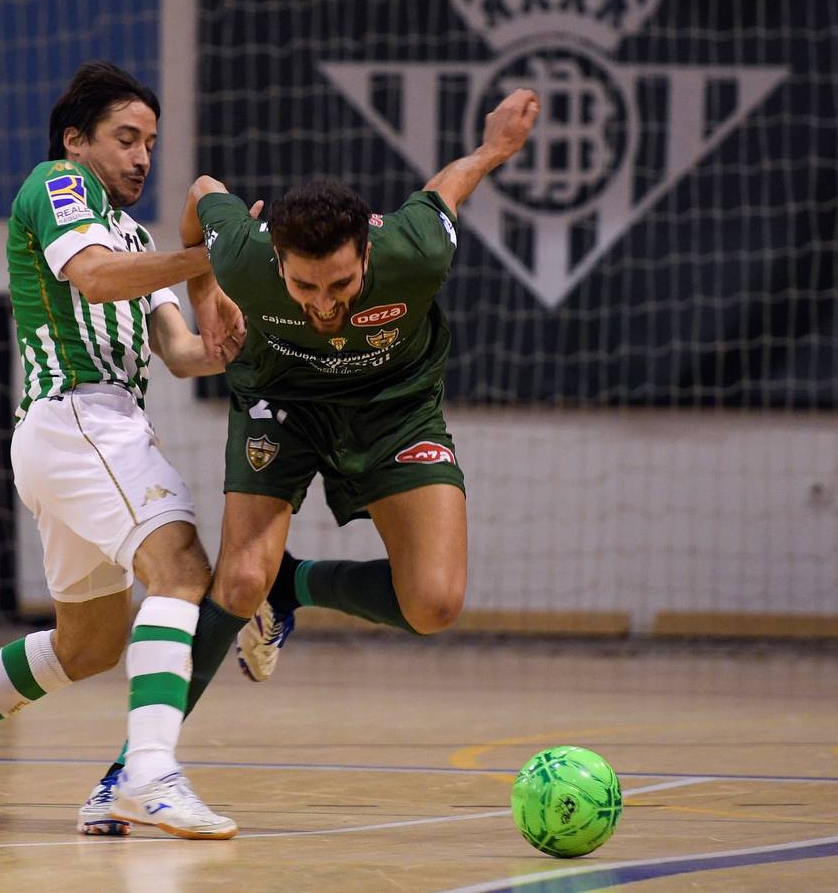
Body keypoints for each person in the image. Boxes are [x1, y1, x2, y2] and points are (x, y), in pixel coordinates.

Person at [80, 88, 541, 811]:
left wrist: (492, 150)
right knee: (234, 584)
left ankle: (293, 584)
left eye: (341, 284)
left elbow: (444, 188)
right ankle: (131, 771)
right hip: (281, 406)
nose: (324, 304)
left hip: (395, 411)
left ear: (367, 252)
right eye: (303, 285)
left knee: (435, 604)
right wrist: (207, 298)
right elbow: (203, 195)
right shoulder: (244, 255)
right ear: (277, 263)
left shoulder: (414, 251)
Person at [0, 61, 254, 841]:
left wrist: (225, 334)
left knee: (87, 644)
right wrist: (209, 258)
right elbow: (93, 281)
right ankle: (149, 777)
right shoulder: (58, 185)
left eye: (151, 144)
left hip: (90, 432)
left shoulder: (136, 235)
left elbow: (184, 355)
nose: (140, 157)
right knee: (182, 571)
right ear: (76, 139)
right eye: (125, 138)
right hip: (80, 418)